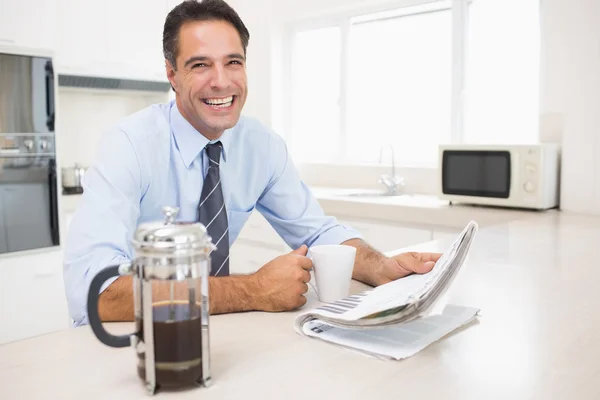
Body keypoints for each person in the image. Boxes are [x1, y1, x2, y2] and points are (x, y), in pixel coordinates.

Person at [63, 0, 441, 327]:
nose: (221, 81)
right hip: (132, 340)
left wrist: (380, 265)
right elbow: (93, 290)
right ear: (171, 74)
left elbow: (318, 233)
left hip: (218, 338)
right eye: (200, 65)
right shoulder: (128, 146)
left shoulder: (261, 146)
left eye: (233, 62)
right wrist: (252, 290)